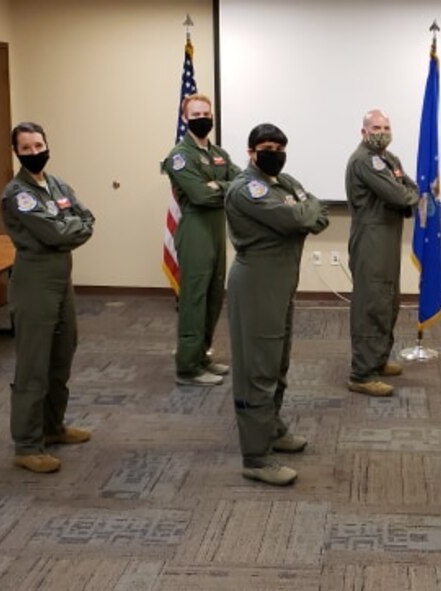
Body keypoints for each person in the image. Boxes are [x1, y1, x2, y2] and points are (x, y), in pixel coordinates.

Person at [225, 123, 329, 486]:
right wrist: (302, 212)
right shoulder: (246, 188)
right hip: (256, 283)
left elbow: (320, 212)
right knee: (257, 369)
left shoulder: (285, 183)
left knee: (278, 361)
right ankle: (256, 456)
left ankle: (271, 428)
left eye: (280, 146)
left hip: (282, 282)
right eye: (266, 146)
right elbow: (299, 217)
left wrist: (303, 211)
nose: (275, 152)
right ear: (251, 151)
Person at [1, 122, 95, 474]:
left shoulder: (56, 184)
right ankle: (26, 444)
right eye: (26, 148)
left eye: (38, 144)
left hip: (60, 279)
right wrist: (69, 227)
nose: (34, 151)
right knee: (33, 364)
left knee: (62, 352)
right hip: (34, 281)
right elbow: (55, 231)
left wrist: (68, 228)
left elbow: (87, 218)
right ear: (17, 153)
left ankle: (52, 427)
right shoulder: (18, 193)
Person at [163, 93, 241, 386]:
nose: (202, 119)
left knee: (213, 295)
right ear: (185, 118)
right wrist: (224, 187)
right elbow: (199, 195)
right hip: (194, 229)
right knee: (194, 298)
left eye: (205, 113)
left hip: (216, 227)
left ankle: (202, 355)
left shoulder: (218, 152)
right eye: (195, 115)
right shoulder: (180, 156)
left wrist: (216, 185)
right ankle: (187, 367)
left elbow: (241, 180)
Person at [345, 109, 420, 397]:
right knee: (371, 305)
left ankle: (377, 360)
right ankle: (361, 374)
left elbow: (409, 186)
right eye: (376, 127)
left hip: (388, 237)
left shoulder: (390, 159)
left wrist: (407, 193)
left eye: (386, 126)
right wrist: (408, 196)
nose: (382, 131)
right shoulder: (364, 160)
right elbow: (401, 195)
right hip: (370, 238)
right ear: (364, 131)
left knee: (389, 301)